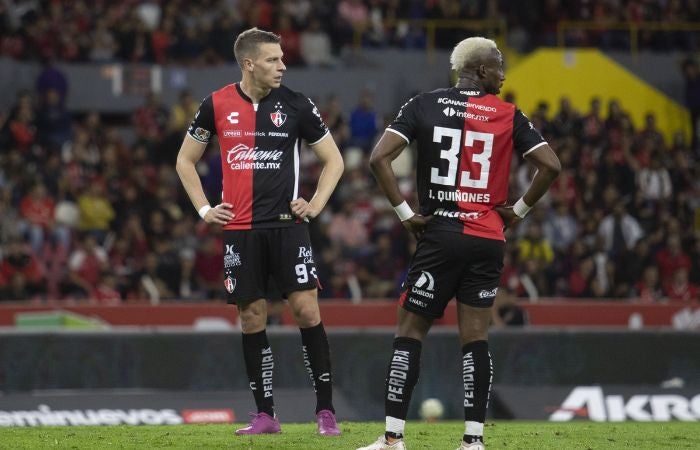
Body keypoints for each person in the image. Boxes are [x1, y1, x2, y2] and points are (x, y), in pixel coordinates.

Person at [358, 37, 560, 450]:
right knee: (476, 337)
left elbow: (378, 158)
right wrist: (517, 212)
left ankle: (393, 438)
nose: (504, 74)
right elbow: (551, 166)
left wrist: (405, 214)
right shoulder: (508, 114)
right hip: (488, 237)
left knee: (410, 331)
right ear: (480, 71)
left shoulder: (423, 104)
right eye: (499, 66)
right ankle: (473, 441)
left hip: (442, 233)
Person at [175, 28, 344, 437]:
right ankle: (265, 415)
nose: (282, 65)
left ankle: (325, 412)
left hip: (288, 228)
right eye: (273, 59)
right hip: (241, 230)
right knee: (252, 318)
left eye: (282, 58)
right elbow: (184, 161)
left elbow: (334, 161)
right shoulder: (215, 104)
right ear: (248, 63)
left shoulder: (298, 105)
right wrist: (203, 208)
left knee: (306, 311)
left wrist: (315, 205)